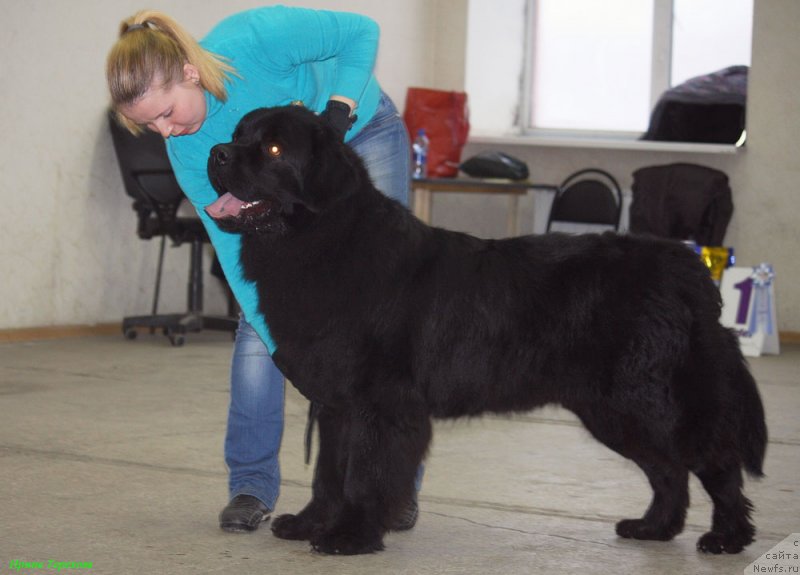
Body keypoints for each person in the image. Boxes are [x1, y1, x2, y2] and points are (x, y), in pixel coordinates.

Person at [106, 6, 422, 533]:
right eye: (149, 125)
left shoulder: (252, 39)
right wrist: (283, 344)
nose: (166, 130)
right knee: (258, 327)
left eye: (166, 112)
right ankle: (250, 486)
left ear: (188, 71)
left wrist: (338, 111)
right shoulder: (186, 150)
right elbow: (235, 255)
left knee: (385, 311)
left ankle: (394, 485)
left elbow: (361, 33)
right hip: (274, 176)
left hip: (363, 131)